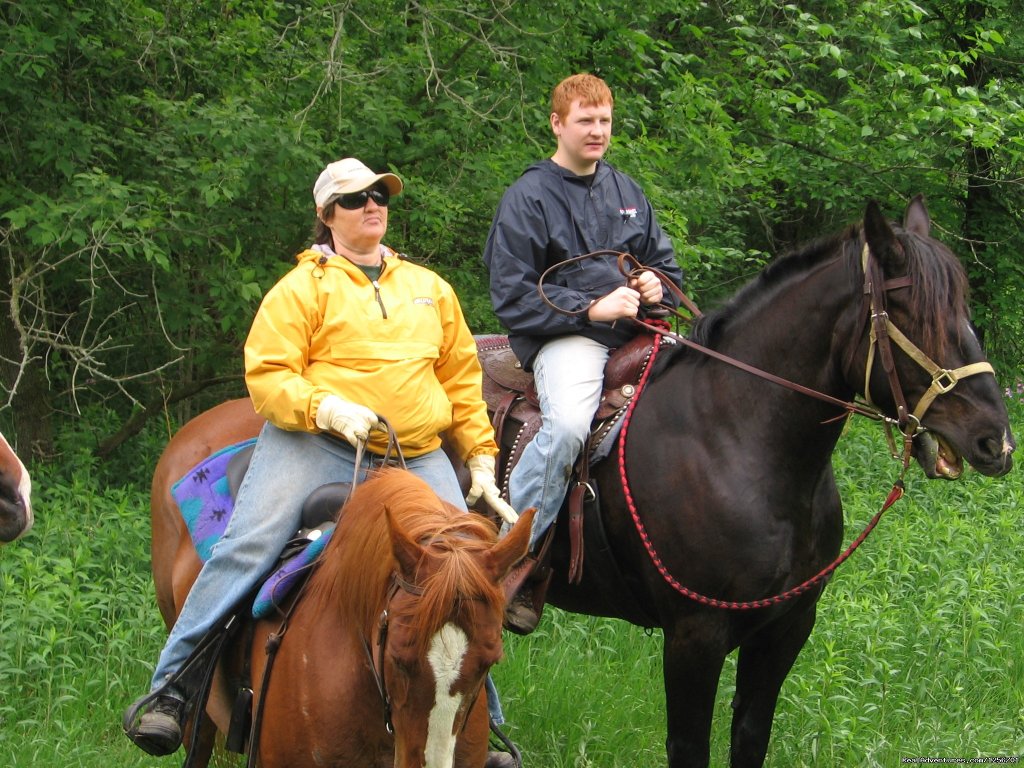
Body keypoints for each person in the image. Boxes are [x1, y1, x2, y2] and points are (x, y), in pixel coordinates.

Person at [126, 157, 518, 763]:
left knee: (458, 576)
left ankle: (483, 729)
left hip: (414, 454)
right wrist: (327, 408)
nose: (373, 206)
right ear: (327, 214)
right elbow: (268, 376)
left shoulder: (429, 289)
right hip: (317, 443)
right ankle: (171, 690)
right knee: (248, 545)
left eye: (380, 196)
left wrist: (483, 461)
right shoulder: (302, 288)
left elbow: (462, 381)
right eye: (357, 198)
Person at [482, 74, 684, 634]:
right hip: (566, 338)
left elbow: (662, 261)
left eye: (605, 122)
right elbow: (513, 294)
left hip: (638, 332)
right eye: (585, 121)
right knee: (569, 424)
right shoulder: (528, 197)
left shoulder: (627, 192)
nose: (597, 132)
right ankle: (507, 556)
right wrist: (590, 309)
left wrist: (654, 285)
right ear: (557, 124)